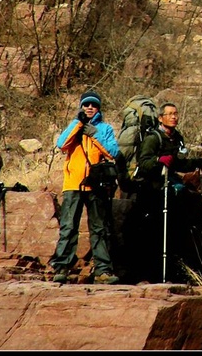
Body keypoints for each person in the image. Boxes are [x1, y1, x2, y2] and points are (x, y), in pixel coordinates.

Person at [49, 89, 121, 285]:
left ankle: (102, 271)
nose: (90, 107)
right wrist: (78, 123)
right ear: (81, 107)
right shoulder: (75, 125)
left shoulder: (105, 129)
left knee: (99, 229)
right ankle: (62, 266)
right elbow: (62, 144)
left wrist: (95, 135)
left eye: (93, 104)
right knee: (69, 227)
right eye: (86, 104)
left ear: (98, 108)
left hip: (97, 185)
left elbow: (113, 153)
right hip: (73, 185)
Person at [134, 101, 202, 283]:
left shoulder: (177, 137)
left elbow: (178, 163)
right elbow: (143, 164)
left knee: (174, 230)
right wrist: (159, 160)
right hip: (152, 190)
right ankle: (150, 274)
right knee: (153, 232)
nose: (174, 117)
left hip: (169, 189)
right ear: (160, 118)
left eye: (176, 113)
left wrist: (195, 163)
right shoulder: (153, 138)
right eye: (170, 114)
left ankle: (173, 272)